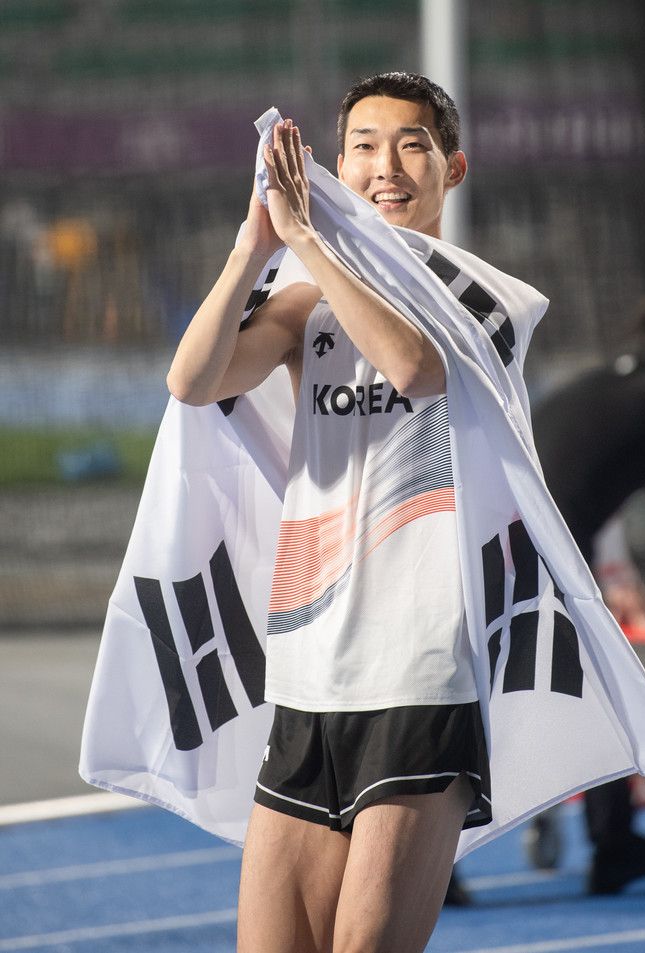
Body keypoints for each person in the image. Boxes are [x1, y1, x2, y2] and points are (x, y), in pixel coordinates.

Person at [167, 72, 485, 953]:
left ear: (454, 168)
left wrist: (309, 236)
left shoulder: (481, 296)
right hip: (311, 675)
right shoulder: (305, 305)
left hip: (422, 674)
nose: (387, 167)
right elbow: (192, 381)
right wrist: (254, 246)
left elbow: (414, 369)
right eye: (364, 148)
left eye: (413, 145)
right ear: (337, 167)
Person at [531, 292, 645, 894]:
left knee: (551, 696)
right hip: (550, 555)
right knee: (605, 691)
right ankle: (614, 844)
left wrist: (614, 572)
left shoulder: (588, 393)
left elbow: (582, 482)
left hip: (500, 546)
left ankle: (613, 841)